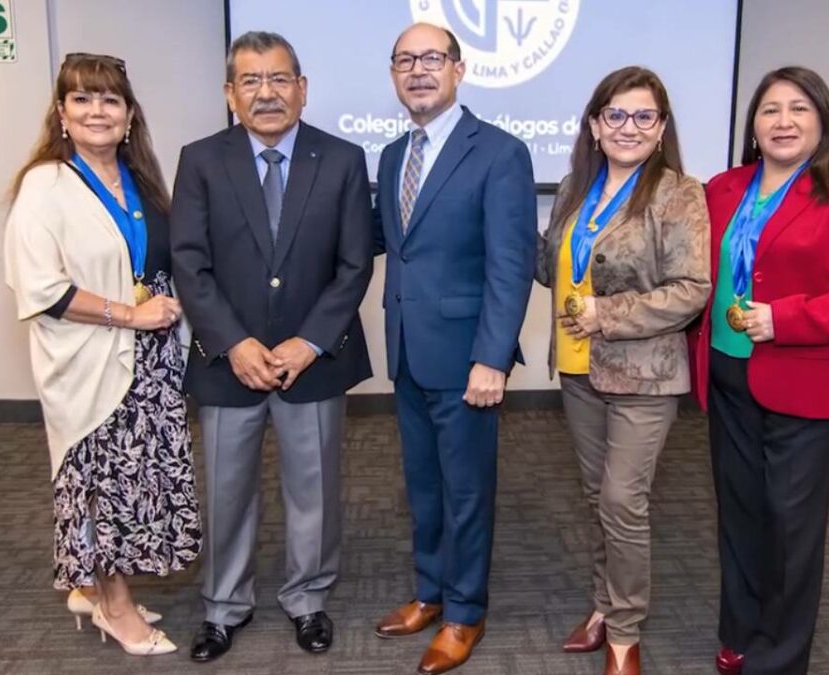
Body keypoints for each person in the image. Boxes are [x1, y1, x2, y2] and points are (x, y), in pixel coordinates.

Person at [691, 66, 829, 675]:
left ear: (822, 120)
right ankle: (739, 630)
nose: (783, 121)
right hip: (730, 376)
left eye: (798, 109)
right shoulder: (724, 188)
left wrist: (786, 319)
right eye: (769, 110)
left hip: (809, 380)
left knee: (790, 526)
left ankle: (779, 658)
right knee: (739, 514)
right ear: (753, 127)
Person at [170, 31, 374, 661]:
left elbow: (354, 264)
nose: (267, 93)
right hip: (229, 363)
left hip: (312, 363)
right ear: (231, 93)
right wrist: (233, 343)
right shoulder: (201, 159)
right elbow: (189, 263)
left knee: (313, 489)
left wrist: (309, 343)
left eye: (280, 79)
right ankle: (224, 606)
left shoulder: (341, 160)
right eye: (252, 82)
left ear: (303, 89)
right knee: (227, 490)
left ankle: (307, 598)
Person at [3, 52, 200, 656]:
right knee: (97, 484)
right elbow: (39, 288)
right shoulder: (45, 183)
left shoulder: (141, 178)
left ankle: (94, 586)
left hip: (153, 365)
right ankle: (115, 608)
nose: (97, 111)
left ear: (129, 114)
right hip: (90, 364)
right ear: (61, 113)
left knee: (134, 481)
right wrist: (131, 315)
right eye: (83, 99)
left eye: (110, 100)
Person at [371, 23, 537, 675]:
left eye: (432, 58)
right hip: (408, 350)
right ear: (393, 74)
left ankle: (466, 610)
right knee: (424, 486)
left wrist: (493, 356)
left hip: (469, 358)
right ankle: (430, 591)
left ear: (459, 70)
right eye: (405, 60)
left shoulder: (499, 152)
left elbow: (510, 262)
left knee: (467, 491)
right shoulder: (390, 156)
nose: (418, 70)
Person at [534, 66, 710, 675]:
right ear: (594, 123)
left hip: (645, 374)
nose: (628, 127)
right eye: (616, 115)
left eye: (643, 116)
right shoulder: (571, 189)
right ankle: (602, 605)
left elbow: (692, 289)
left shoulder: (679, 192)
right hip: (577, 369)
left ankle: (625, 630)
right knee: (595, 497)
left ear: (661, 129)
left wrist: (607, 313)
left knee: (621, 500)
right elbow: (549, 265)